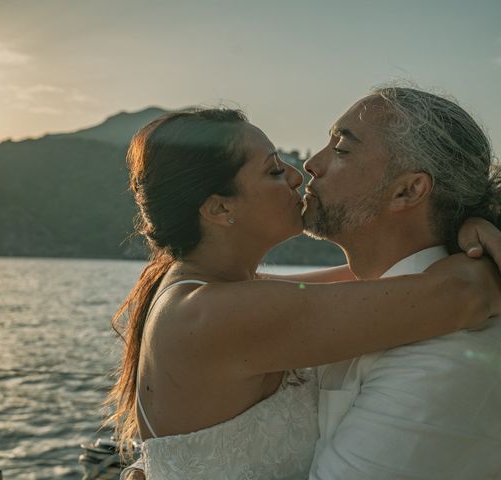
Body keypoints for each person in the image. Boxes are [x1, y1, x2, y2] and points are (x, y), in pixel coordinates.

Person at [108, 107, 501, 480]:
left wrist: (460, 228)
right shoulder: (214, 314)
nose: (299, 175)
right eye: (275, 171)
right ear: (219, 208)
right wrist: (478, 250)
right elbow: (468, 294)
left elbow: (374, 276)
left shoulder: (219, 296)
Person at [306, 86, 501, 479]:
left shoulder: (447, 353)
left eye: (342, 149)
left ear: (408, 190)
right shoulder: (369, 304)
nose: (311, 164)